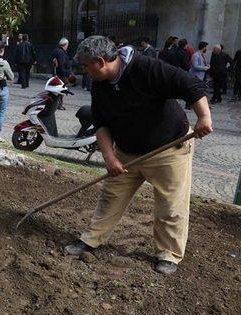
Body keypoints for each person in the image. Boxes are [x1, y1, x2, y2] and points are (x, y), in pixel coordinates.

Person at [65, 35, 213, 275]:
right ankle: (91, 240)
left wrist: (204, 117)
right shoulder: (100, 83)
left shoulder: (147, 68)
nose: (83, 70)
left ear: (101, 61)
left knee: (170, 204)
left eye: (85, 65)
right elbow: (101, 122)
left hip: (168, 148)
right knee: (111, 196)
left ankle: (168, 254)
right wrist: (110, 158)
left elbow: (191, 85)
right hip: (126, 152)